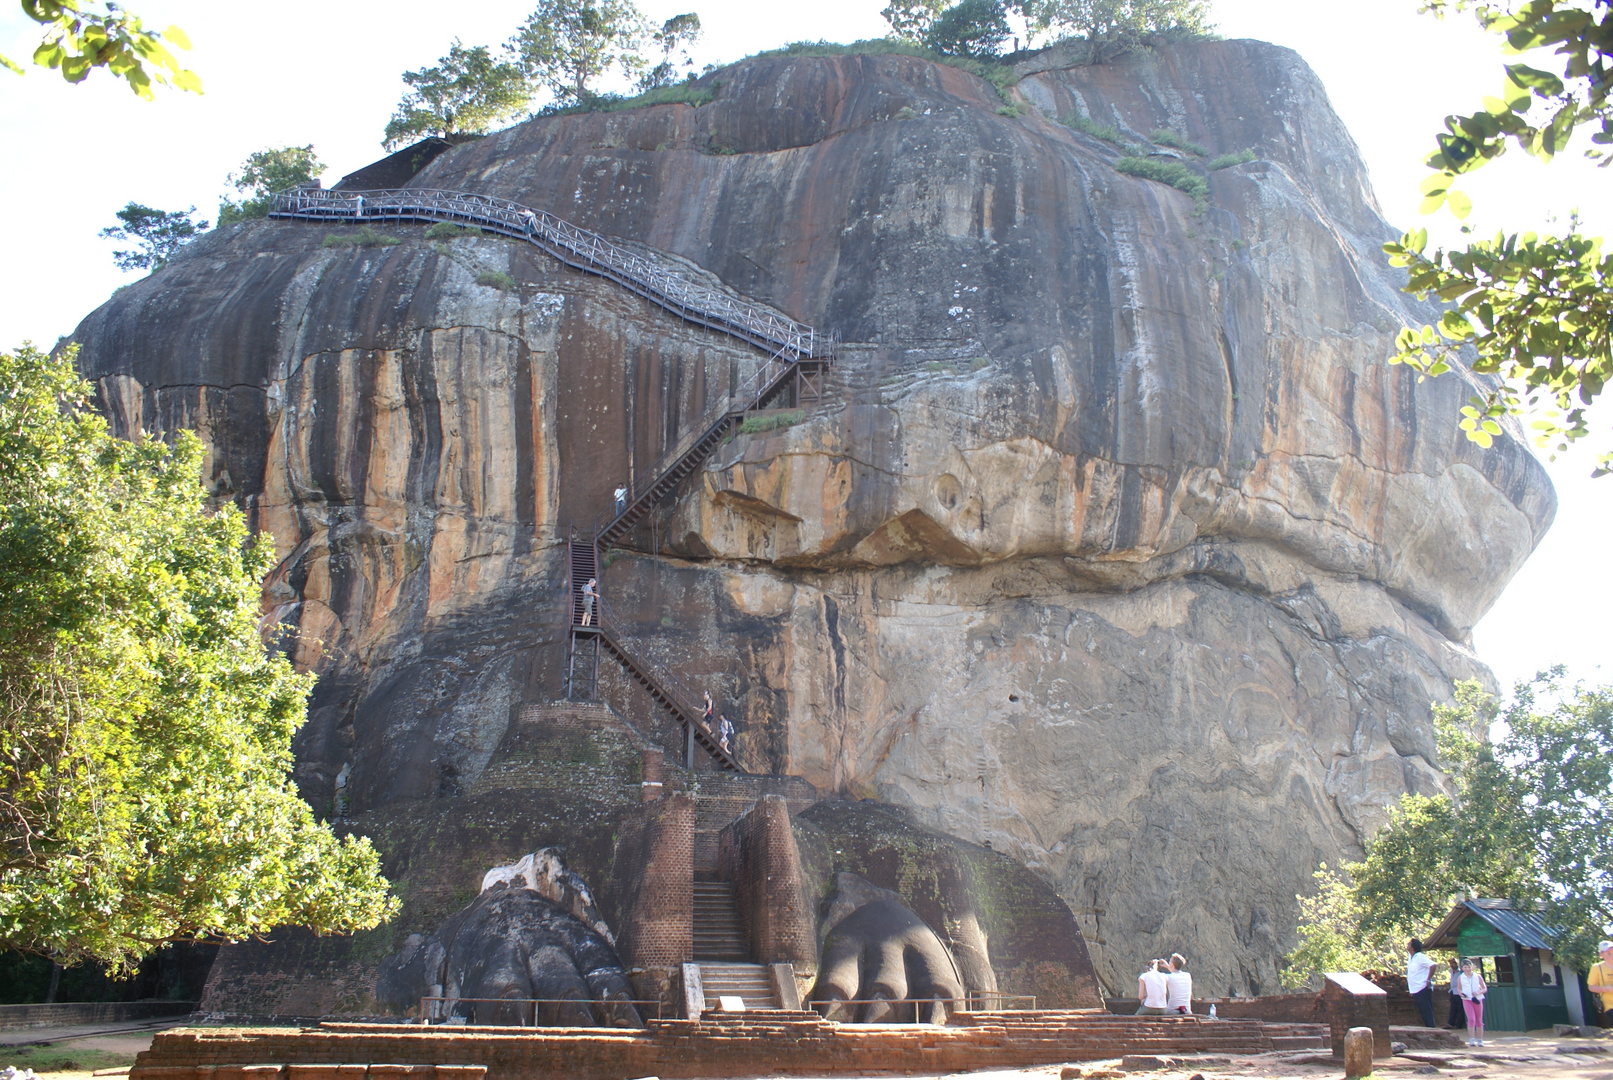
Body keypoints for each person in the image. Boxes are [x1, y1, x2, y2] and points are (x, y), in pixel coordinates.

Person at [1456, 957, 1487, 1047]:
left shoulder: (1477, 976)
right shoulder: (1460, 978)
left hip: (1477, 999)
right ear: (1462, 968)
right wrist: (1461, 994)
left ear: (1472, 967)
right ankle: (1472, 1039)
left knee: (1479, 1019)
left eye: (1469, 967)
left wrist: (1478, 992)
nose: (1467, 969)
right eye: (1465, 967)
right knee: (1471, 1019)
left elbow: (1484, 988)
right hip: (1467, 1000)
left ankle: (1480, 1039)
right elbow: (1458, 988)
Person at [1407, 938, 1437, 1028]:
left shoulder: (1420, 957)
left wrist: (1428, 979)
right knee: (1422, 1011)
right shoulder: (1410, 957)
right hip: (1415, 989)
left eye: (1409, 944)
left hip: (1422, 987)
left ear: (1413, 947)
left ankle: (1431, 1029)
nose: (1407, 946)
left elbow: (1433, 965)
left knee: (1427, 1010)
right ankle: (1428, 1028)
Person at [1589, 939, 1613, 1029]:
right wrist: (1607, 989)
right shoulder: (1597, 968)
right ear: (1601, 955)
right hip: (1610, 1005)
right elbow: (1591, 987)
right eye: (1608, 953)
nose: (1612, 955)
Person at [1446, 956, 1466, 1030]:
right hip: (1453, 991)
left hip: (1459, 991)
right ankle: (1450, 1023)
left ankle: (1459, 1025)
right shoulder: (1451, 971)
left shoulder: (1461, 971)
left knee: (1460, 1008)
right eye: (1450, 963)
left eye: (1453, 963)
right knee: (1453, 1008)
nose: (1451, 965)